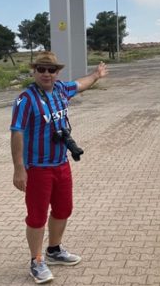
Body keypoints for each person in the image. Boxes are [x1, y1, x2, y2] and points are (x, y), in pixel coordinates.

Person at [10, 51, 108, 284]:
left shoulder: (62, 90)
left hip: (61, 164)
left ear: (57, 72)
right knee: (37, 216)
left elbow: (81, 84)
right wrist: (19, 168)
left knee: (64, 209)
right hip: (37, 168)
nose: (46, 74)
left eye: (51, 70)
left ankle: (54, 250)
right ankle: (36, 261)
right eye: (41, 69)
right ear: (34, 71)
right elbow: (17, 133)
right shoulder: (25, 99)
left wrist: (96, 75)